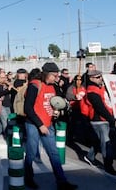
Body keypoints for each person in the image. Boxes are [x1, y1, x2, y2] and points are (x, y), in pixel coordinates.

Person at [24, 62, 78, 190]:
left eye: (57, 75)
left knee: (54, 153)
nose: (56, 78)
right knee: (31, 153)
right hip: (34, 124)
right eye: (54, 75)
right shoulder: (35, 85)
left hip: (48, 124)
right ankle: (28, 178)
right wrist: (40, 125)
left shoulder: (53, 87)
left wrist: (57, 111)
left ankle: (62, 182)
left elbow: (55, 102)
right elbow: (28, 108)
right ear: (46, 74)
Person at [83, 70, 116, 176]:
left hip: (103, 119)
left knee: (99, 141)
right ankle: (109, 167)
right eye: (98, 77)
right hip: (99, 120)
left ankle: (89, 157)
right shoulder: (92, 91)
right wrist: (111, 118)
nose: (101, 78)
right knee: (106, 144)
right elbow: (100, 108)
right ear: (91, 78)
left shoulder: (99, 88)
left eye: (101, 76)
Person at [0, 71, 13, 137]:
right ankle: (8, 138)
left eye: (4, 77)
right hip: (1, 105)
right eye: (2, 77)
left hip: (8, 104)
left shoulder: (7, 84)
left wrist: (11, 87)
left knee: (6, 120)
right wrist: (8, 90)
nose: (3, 79)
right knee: (5, 122)